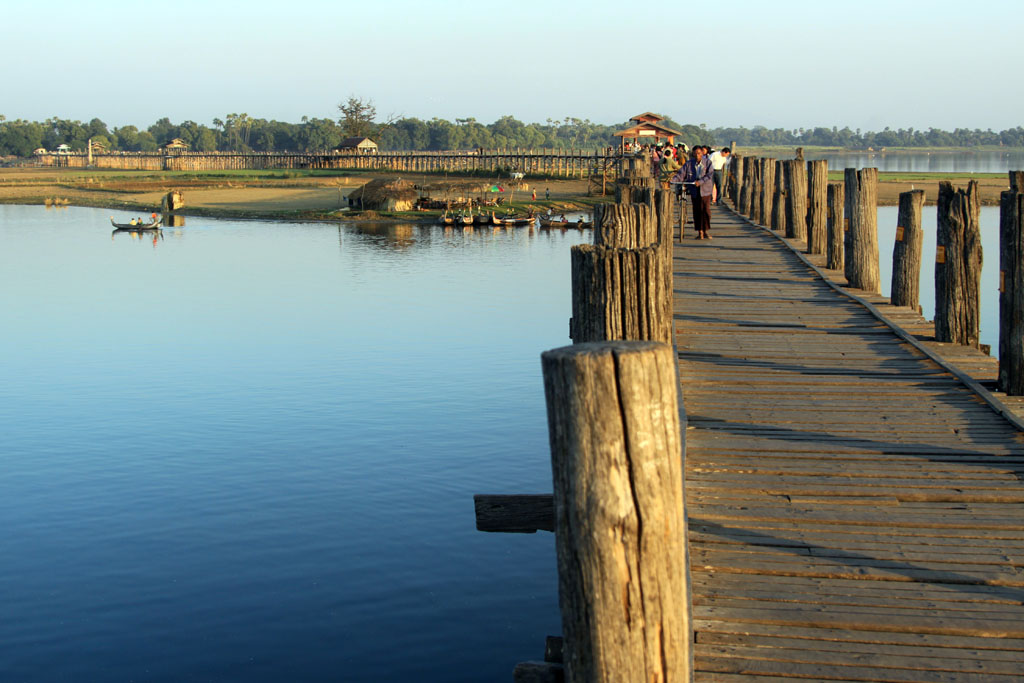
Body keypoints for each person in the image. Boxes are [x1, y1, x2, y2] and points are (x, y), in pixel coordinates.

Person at [681, 146, 714, 239]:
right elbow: (681, 174)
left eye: (699, 153)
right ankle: (700, 231)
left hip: (705, 190)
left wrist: (700, 182)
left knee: (706, 211)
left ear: (702, 153)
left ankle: (706, 230)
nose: (697, 155)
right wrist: (673, 180)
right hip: (694, 190)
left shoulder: (708, 163)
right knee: (697, 211)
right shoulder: (688, 164)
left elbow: (709, 175)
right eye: (695, 154)